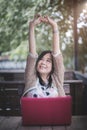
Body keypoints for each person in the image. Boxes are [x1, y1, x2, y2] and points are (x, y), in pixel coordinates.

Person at [23, 14, 65, 97]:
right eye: (41, 59)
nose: (43, 62)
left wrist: (54, 26)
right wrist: (32, 27)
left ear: (53, 66)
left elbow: (57, 54)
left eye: (48, 60)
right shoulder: (31, 77)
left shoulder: (56, 79)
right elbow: (32, 54)